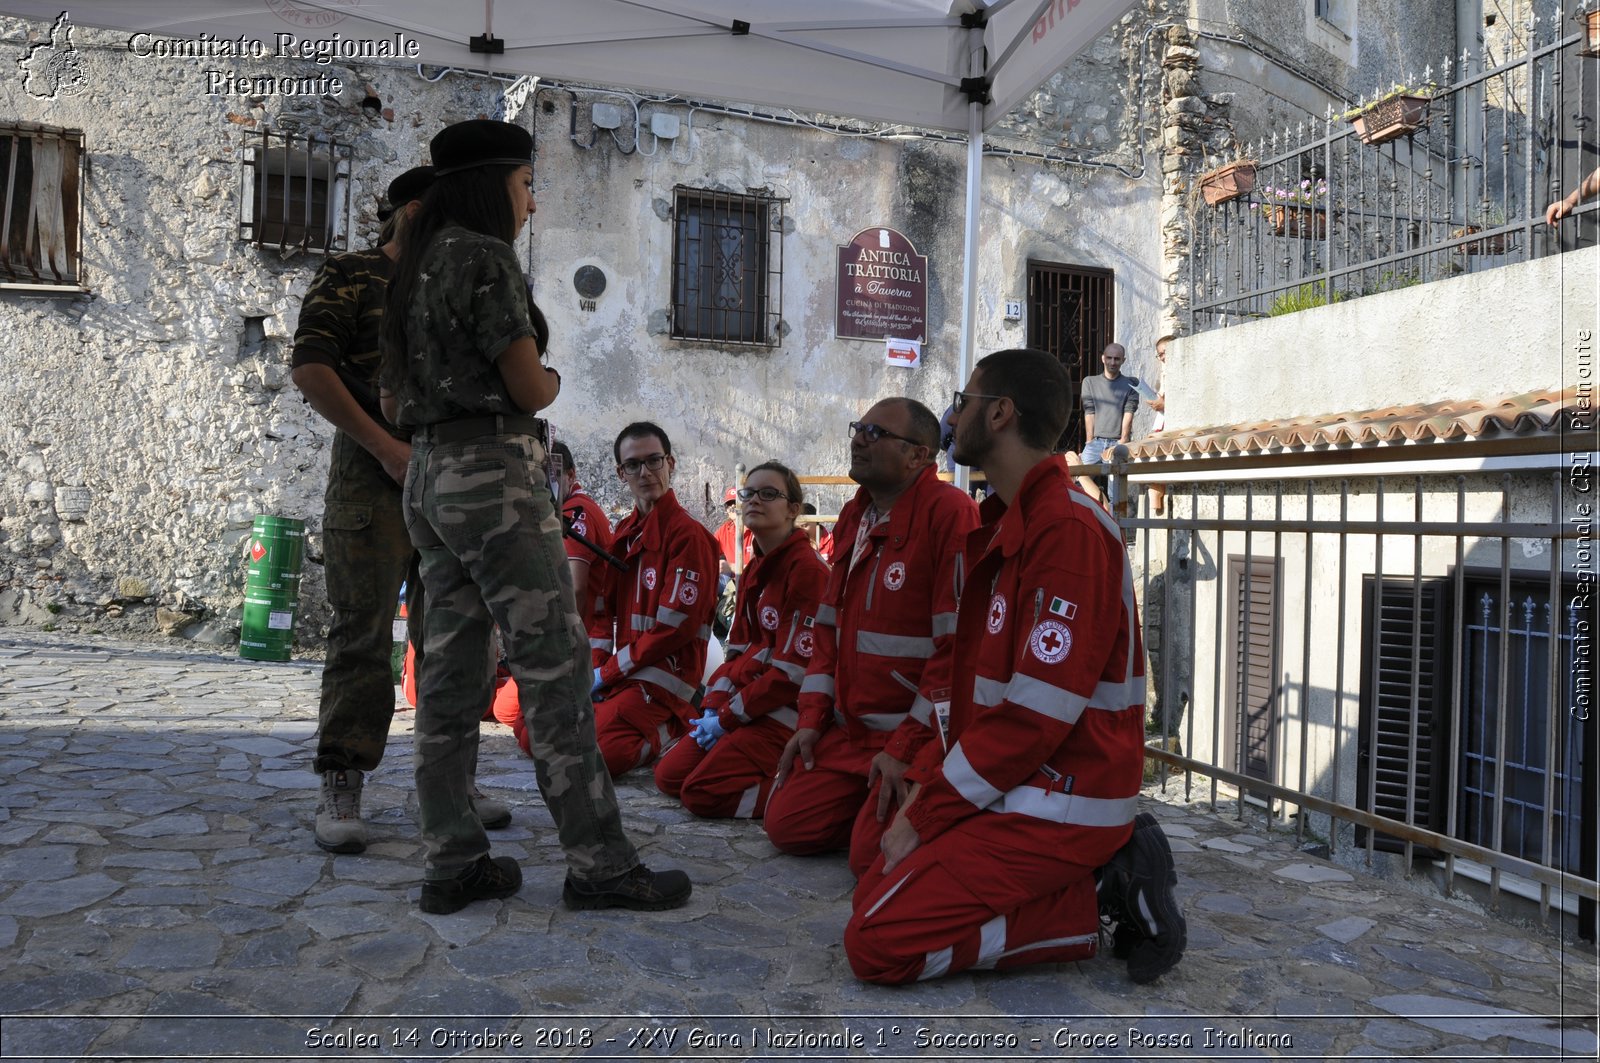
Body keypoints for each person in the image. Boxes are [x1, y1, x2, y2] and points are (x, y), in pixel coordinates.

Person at [378, 118, 688, 914]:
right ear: (493, 185)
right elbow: (527, 386)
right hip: (494, 479)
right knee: (553, 667)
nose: (533, 204)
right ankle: (600, 860)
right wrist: (549, 381)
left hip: (430, 477)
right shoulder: (482, 258)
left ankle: (452, 856)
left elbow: (388, 396)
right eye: (525, 186)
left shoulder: (409, 265)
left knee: (448, 676)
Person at [845, 347, 1186, 986]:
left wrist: (927, 812)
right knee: (873, 872)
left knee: (877, 943)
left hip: (1064, 794)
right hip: (1016, 781)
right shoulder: (1010, 523)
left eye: (963, 402)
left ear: (1000, 414)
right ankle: (1080, 884)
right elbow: (979, 692)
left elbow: (1034, 715)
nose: (951, 416)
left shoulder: (1068, 530)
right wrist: (928, 777)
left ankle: (1092, 902)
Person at [292, 164, 508, 853]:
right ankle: (342, 778)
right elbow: (311, 368)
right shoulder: (350, 274)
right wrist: (386, 448)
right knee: (361, 634)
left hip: (451, 474)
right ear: (415, 211)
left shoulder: (458, 281)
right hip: (369, 477)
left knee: (454, 639)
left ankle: (453, 780)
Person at [764, 399, 979, 877]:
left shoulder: (950, 514)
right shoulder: (853, 516)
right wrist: (811, 720)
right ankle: (874, 812)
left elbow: (955, 652)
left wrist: (905, 748)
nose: (859, 439)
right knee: (785, 827)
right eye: (859, 428)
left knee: (871, 860)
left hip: (911, 736)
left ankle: (924, 812)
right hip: (849, 734)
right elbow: (827, 631)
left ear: (919, 456)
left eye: (876, 433)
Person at [653, 462, 829, 818]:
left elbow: (792, 674)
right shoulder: (754, 569)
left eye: (769, 494)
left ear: (793, 510)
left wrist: (728, 718)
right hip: (749, 701)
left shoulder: (806, 571)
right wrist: (714, 704)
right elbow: (738, 650)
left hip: (787, 709)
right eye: (748, 494)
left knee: (701, 795)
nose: (753, 501)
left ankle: (796, 794)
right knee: (669, 777)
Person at [590, 421, 721, 777]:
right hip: (627, 672)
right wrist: (597, 668)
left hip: (666, 678)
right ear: (621, 473)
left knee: (597, 755)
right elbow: (601, 611)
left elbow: (673, 629)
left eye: (654, 461)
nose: (645, 472)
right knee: (532, 730)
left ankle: (678, 728)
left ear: (670, 464)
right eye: (633, 464)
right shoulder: (625, 535)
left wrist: (607, 672)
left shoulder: (688, 537)